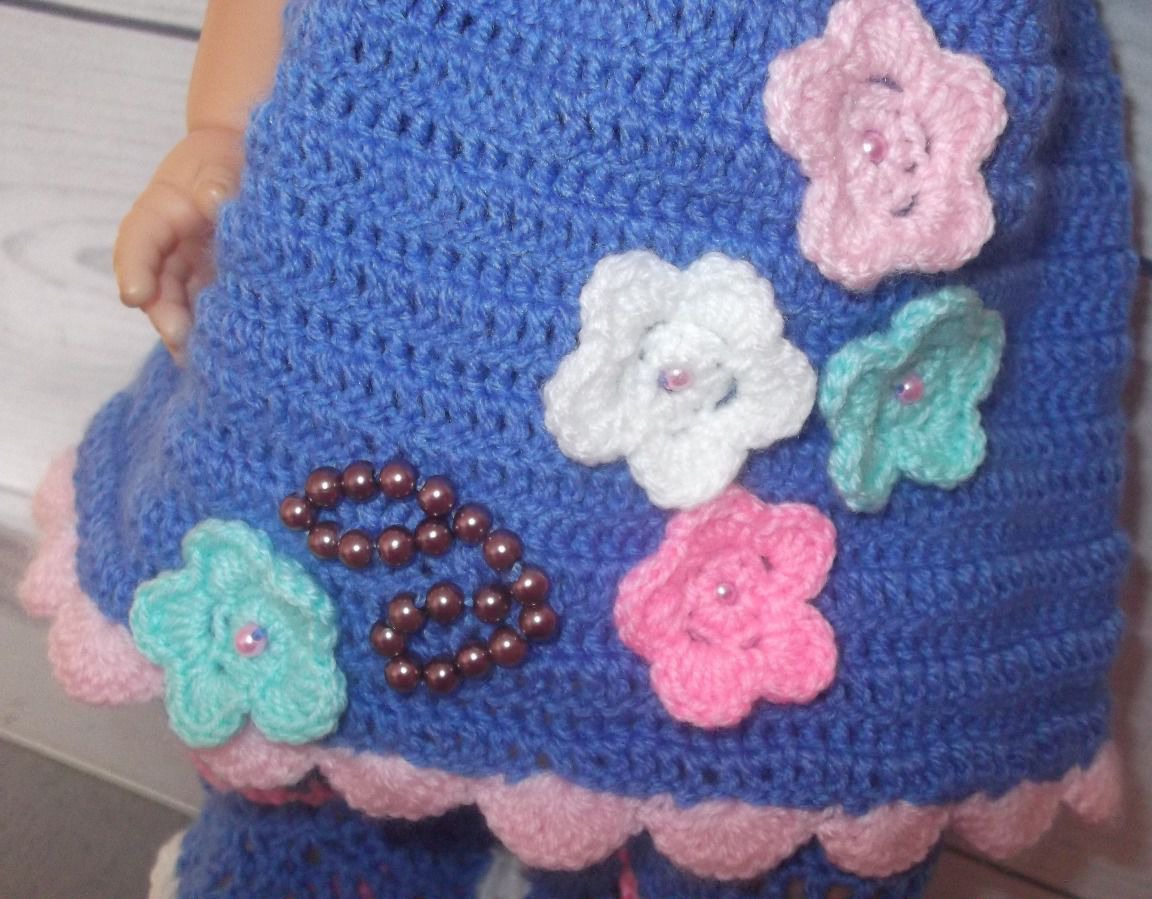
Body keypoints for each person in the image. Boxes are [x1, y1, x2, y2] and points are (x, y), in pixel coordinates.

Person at [21, 0, 1137, 895]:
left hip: (835, 236)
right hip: (407, 241)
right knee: (328, 665)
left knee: (807, 735)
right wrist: (221, 131)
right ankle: (314, 851)